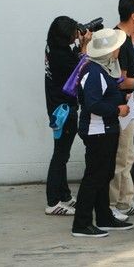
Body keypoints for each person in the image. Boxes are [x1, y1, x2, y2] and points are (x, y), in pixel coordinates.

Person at [72, 28, 133, 237]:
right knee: (94, 177)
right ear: (109, 51)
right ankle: (81, 224)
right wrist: (117, 109)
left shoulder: (100, 69)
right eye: (116, 47)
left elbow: (100, 98)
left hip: (104, 130)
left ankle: (104, 217)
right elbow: (93, 104)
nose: (118, 50)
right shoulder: (94, 72)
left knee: (103, 174)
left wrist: (119, 102)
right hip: (97, 131)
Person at [44, 16, 91, 216]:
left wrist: (79, 46)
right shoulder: (61, 56)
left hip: (57, 107)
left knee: (62, 154)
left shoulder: (53, 48)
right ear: (64, 37)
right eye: (73, 33)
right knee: (60, 155)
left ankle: (64, 195)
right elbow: (81, 69)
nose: (75, 34)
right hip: (64, 110)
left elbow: (72, 63)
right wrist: (84, 46)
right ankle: (53, 202)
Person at [109, 0, 134, 221]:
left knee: (128, 155)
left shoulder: (126, 39)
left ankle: (125, 200)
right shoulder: (119, 41)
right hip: (119, 108)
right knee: (120, 157)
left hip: (128, 107)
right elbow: (120, 81)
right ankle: (112, 204)